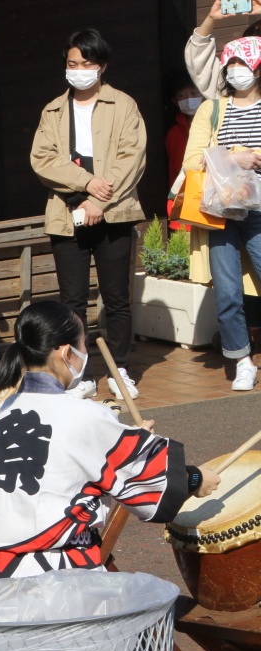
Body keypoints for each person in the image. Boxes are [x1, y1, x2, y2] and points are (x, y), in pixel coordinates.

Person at [0, 301, 221, 582]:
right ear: (67, 352)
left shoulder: (5, 410)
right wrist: (195, 479)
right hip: (59, 577)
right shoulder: (85, 414)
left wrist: (130, 439)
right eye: (83, 345)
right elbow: (148, 481)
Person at [30, 28, 147, 401]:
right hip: (66, 214)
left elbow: (132, 158)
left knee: (116, 297)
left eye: (86, 63)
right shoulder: (53, 110)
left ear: (103, 65)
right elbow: (42, 159)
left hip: (114, 212)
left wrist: (99, 201)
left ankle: (120, 369)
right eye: (72, 63)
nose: (78, 70)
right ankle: (79, 373)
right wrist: (86, 184)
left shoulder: (123, 105)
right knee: (72, 301)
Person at [183, 36, 261, 391]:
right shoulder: (211, 109)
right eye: (230, 65)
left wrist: (252, 157)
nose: (235, 71)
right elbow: (191, 160)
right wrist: (233, 157)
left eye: (242, 64)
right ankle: (241, 359)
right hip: (221, 209)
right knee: (227, 290)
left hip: (258, 209)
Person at [185, 2, 261, 97]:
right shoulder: (226, 85)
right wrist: (211, 18)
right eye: (232, 61)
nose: (237, 65)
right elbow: (198, 55)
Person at [166, 75, 203, 231]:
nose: (189, 99)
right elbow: (174, 172)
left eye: (194, 93)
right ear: (175, 101)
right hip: (187, 200)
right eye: (182, 96)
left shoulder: (216, 125)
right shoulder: (174, 134)